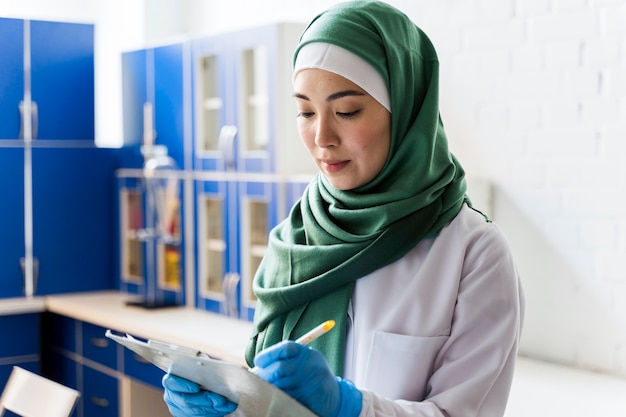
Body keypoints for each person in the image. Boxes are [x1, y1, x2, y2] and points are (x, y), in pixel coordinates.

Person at [162, 1, 525, 416]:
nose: (322, 137)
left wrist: (350, 406)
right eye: (305, 112)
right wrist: (227, 401)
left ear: (406, 111)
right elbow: (270, 395)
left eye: (347, 111)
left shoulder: (473, 252)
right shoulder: (298, 235)